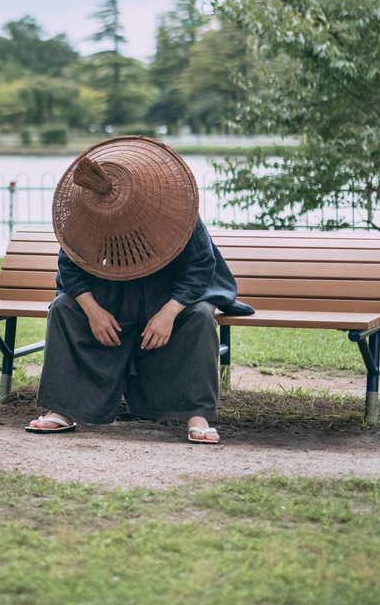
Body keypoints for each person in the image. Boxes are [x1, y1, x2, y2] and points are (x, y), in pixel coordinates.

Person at [24, 136, 252, 444]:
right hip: (111, 297)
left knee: (199, 316)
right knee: (64, 307)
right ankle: (63, 410)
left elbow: (200, 266)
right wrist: (92, 311)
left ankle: (198, 415)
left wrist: (170, 312)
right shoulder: (85, 216)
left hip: (168, 295)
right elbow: (70, 267)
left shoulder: (177, 211)